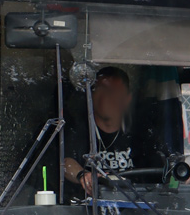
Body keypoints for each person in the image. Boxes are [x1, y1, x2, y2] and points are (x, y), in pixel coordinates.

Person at [62, 65, 145, 195]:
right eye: (101, 91)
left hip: (135, 207)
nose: (106, 98)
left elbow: (162, 166)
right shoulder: (79, 130)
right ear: (91, 95)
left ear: (127, 99)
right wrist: (83, 176)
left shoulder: (140, 133)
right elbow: (65, 163)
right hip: (89, 210)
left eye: (114, 92)